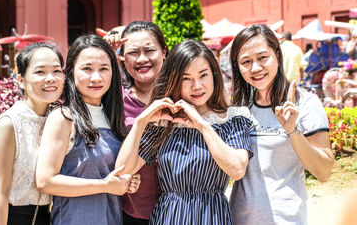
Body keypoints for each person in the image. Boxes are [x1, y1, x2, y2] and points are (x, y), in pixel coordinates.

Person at [116, 39, 253, 224]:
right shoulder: (165, 121)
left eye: (203, 75)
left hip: (211, 216)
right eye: (186, 78)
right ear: (174, 80)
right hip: (169, 216)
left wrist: (202, 124)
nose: (196, 85)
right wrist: (141, 122)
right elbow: (122, 170)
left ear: (214, 75)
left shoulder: (232, 119)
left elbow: (237, 169)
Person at [229, 24, 334, 225]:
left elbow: (324, 172)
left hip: (286, 219)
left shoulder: (305, 103)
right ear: (237, 66)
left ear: (277, 55)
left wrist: (292, 131)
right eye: (246, 61)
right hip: (238, 218)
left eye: (262, 57)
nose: (256, 68)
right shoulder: (239, 106)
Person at [35, 34, 140, 225]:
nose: (96, 77)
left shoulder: (113, 118)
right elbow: (45, 181)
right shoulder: (63, 117)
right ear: (72, 72)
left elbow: (109, 174)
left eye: (104, 69)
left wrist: (126, 182)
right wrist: (104, 185)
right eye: (87, 69)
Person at [0, 42, 65, 225]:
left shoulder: (58, 119)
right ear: (21, 80)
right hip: (8, 218)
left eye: (57, 71)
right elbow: (0, 194)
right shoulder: (9, 124)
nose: (51, 78)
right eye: (40, 72)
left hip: (43, 217)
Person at [104, 21, 168, 224]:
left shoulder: (183, 95)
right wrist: (102, 51)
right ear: (122, 58)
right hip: (132, 212)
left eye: (149, 50)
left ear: (164, 52)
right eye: (133, 52)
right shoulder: (114, 101)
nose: (142, 59)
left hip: (180, 209)